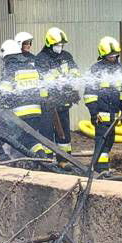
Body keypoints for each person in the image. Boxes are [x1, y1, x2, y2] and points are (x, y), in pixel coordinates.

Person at [36, 27, 81, 160]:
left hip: (63, 102)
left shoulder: (66, 56)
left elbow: (75, 72)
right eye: (57, 45)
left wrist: (73, 87)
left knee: (64, 134)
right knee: (47, 133)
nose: (60, 47)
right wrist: (62, 79)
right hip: (48, 104)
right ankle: (48, 161)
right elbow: (46, 79)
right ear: (49, 44)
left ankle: (65, 160)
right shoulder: (41, 58)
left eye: (61, 45)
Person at [0, 39, 47, 156]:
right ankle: (41, 155)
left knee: (17, 139)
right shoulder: (31, 67)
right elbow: (43, 90)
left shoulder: (10, 68)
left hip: (20, 114)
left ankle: (23, 162)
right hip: (36, 112)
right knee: (31, 139)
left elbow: (4, 92)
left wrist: (1, 105)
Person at [84, 36, 122, 173]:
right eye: (110, 55)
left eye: (115, 55)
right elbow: (89, 94)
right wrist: (94, 113)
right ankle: (100, 169)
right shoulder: (95, 69)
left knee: (109, 140)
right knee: (101, 140)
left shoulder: (120, 68)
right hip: (101, 113)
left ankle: (103, 166)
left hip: (114, 113)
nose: (113, 57)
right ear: (103, 54)